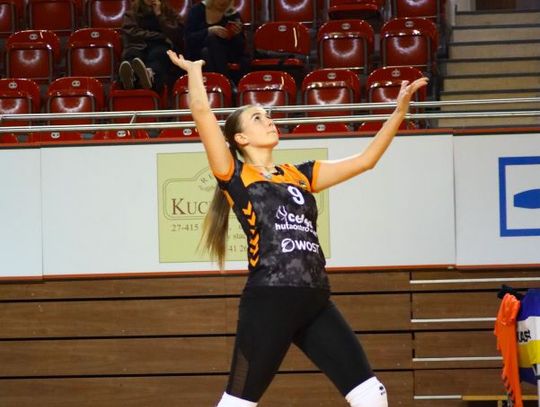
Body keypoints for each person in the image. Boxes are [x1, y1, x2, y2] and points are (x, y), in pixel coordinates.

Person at [166, 50, 428, 407]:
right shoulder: (235, 175)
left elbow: (366, 161)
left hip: (315, 299)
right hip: (270, 299)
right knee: (238, 402)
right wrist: (195, 71)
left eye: (268, 115)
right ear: (240, 139)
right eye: (257, 118)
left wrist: (398, 112)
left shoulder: (300, 174)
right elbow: (200, 111)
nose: (268, 120)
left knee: (371, 394)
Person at [119, 0, 183, 92]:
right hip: (138, 44)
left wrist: (159, 15)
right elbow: (132, 32)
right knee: (133, 56)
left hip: (159, 44)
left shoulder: (167, 12)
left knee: (159, 55)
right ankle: (131, 78)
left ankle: (148, 77)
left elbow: (176, 32)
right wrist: (159, 35)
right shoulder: (132, 13)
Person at [184, 0, 249, 81]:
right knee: (208, 47)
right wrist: (209, 31)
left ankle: (222, 82)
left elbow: (240, 47)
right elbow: (189, 38)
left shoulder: (232, 14)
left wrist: (236, 34)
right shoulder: (197, 10)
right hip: (198, 53)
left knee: (209, 48)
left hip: (227, 54)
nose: (223, 2)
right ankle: (226, 81)